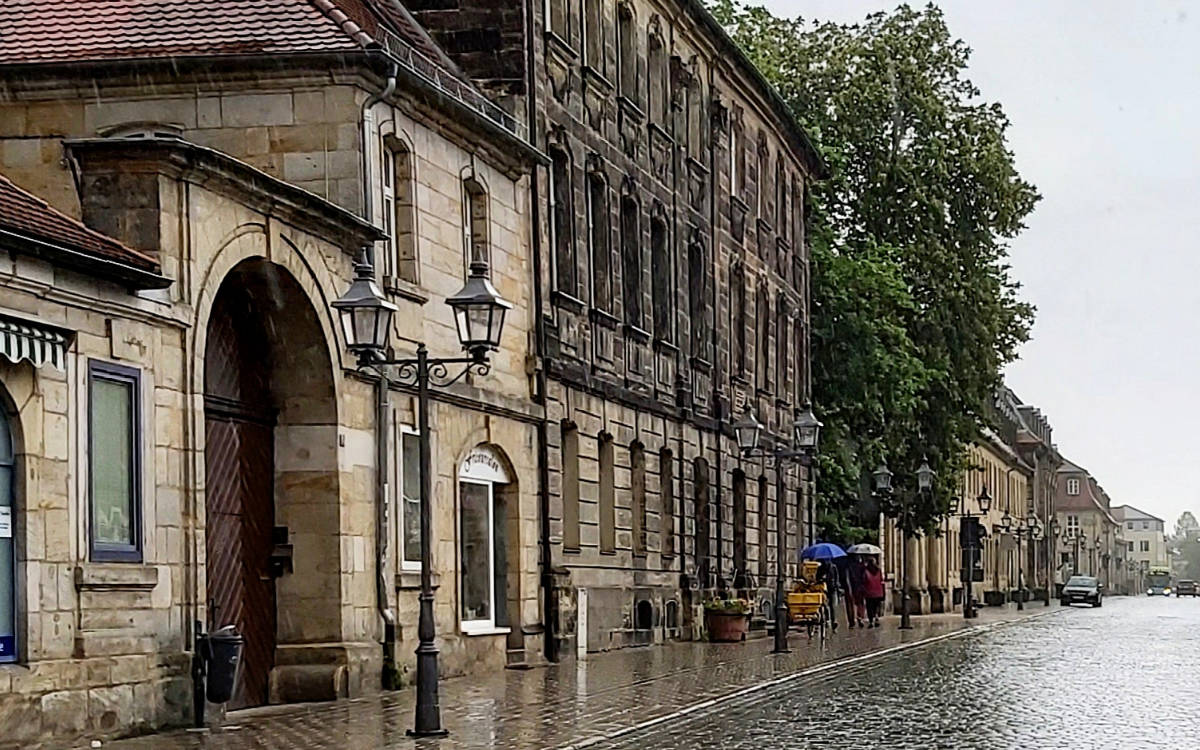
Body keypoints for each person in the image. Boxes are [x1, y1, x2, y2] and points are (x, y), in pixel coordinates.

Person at [863, 557, 886, 628]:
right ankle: (876, 617)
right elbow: (882, 581)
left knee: (870, 607)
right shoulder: (878, 571)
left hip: (869, 592)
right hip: (878, 592)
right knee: (876, 606)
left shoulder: (866, 571)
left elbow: (864, 581)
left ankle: (871, 621)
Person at [848, 555, 868, 628]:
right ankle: (860, 617)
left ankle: (852, 621)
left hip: (853, 587)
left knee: (852, 604)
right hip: (861, 587)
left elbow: (849, 578)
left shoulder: (850, 567)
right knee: (861, 603)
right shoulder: (863, 567)